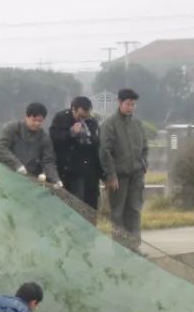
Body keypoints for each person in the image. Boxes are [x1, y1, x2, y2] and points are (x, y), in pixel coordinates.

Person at [99, 89, 147, 249]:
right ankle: (120, 249)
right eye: (128, 104)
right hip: (118, 177)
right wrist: (111, 175)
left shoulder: (137, 123)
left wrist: (143, 165)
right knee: (118, 213)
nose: (131, 107)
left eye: (133, 104)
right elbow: (105, 151)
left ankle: (134, 247)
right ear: (119, 103)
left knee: (134, 210)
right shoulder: (109, 124)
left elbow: (145, 147)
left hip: (136, 175)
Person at [49, 96, 102, 214]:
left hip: (88, 169)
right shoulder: (61, 118)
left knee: (89, 204)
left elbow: (97, 144)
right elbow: (53, 138)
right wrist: (71, 133)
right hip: (68, 169)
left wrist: (90, 137)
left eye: (86, 116)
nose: (83, 119)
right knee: (73, 203)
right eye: (81, 116)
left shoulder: (92, 122)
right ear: (73, 109)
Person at [0, 103, 61, 186]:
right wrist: (17, 165)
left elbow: (48, 161)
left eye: (40, 121)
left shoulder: (44, 137)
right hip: (7, 174)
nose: (37, 123)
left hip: (30, 179)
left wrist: (55, 179)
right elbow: (1, 147)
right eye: (34, 120)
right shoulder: (11, 128)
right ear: (26, 117)